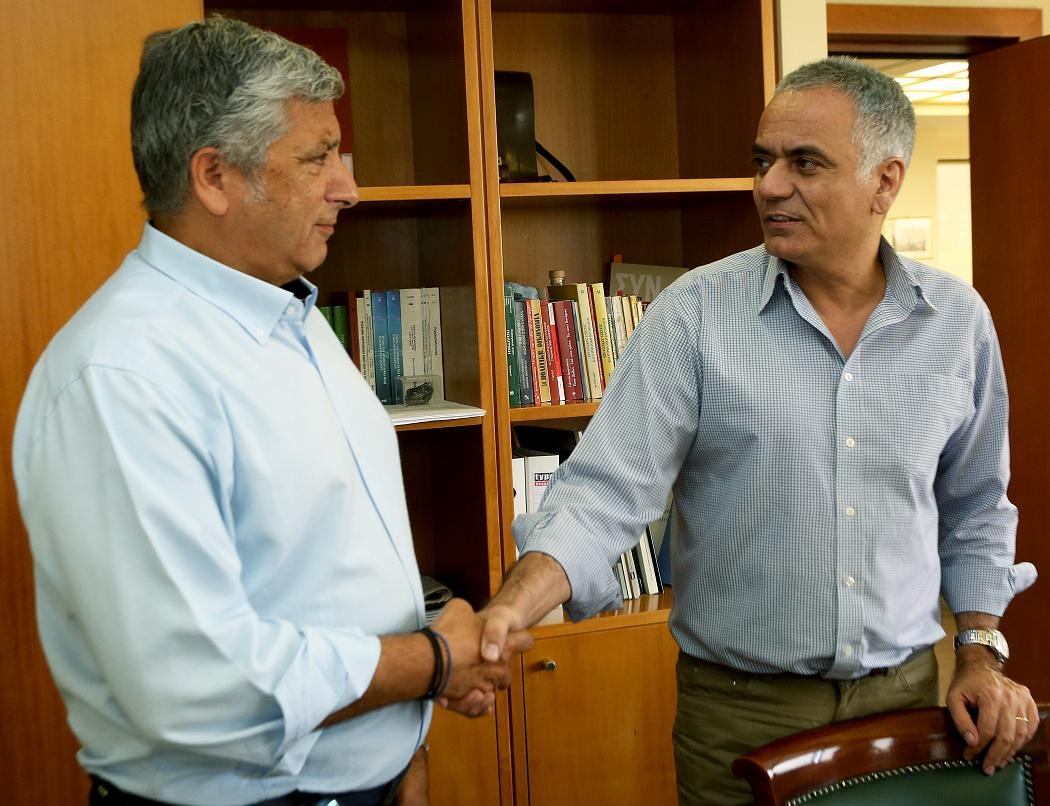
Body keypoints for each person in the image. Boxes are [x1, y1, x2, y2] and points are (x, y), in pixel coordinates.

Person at [478, 56, 1039, 804]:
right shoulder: (695, 315)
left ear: (884, 182)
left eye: (805, 163)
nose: (770, 186)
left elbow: (976, 507)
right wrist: (508, 612)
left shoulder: (956, 322)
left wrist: (979, 653)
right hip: (739, 716)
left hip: (906, 702)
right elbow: (603, 496)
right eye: (762, 160)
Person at [12, 16, 529, 806]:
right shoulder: (123, 376)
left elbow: (322, 568)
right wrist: (431, 661)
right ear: (215, 176)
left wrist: (404, 746)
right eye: (318, 157)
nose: (347, 188)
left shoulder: (291, 316)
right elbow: (195, 686)